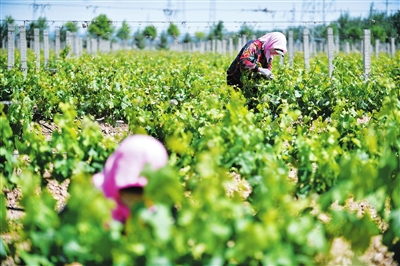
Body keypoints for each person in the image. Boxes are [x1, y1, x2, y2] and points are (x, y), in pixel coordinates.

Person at [92, 135, 168, 224]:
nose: (133, 202)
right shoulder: (97, 199)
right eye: (128, 189)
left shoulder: (157, 215)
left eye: (141, 191)